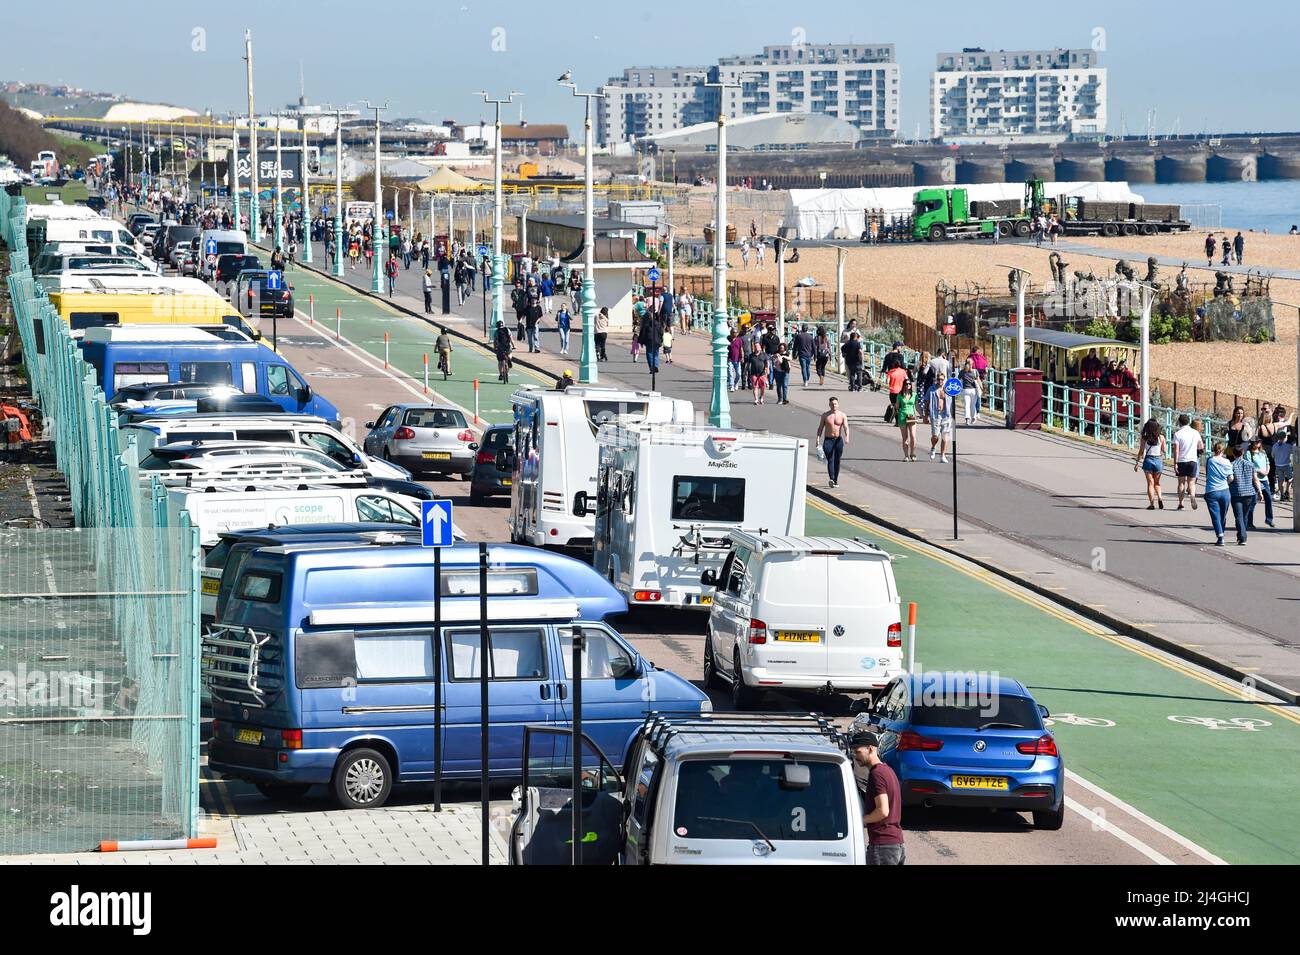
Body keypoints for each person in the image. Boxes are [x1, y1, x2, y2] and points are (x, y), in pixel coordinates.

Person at [848, 731, 904, 866]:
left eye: (858, 752)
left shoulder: (877, 774)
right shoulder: (887, 771)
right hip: (896, 843)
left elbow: (883, 811)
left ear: (870, 749)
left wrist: (858, 821)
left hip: (883, 846)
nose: (855, 756)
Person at [1227, 444, 1263, 545]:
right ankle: (1242, 535)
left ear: (1233, 454)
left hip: (1236, 493)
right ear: (1243, 453)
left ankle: (1242, 537)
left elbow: (1230, 479)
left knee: (1238, 516)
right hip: (1249, 493)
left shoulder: (1231, 465)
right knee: (1245, 515)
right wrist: (1260, 491)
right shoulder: (1250, 464)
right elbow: (1255, 479)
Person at [1203, 442, 1233, 546]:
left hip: (1212, 490)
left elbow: (1207, 475)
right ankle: (1221, 533)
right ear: (1223, 450)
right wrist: (1226, 484)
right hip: (1225, 490)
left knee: (1215, 515)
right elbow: (1231, 478)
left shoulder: (1210, 460)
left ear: (1214, 449)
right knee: (1222, 515)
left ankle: (1220, 536)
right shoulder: (1228, 462)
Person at [815, 397, 849, 487]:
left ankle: (835, 480)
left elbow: (846, 427)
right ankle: (831, 479)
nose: (834, 405)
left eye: (835, 404)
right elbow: (820, 428)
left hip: (838, 440)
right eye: (832, 404)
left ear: (838, 404)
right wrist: (817, 438)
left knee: (837, 461)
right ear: (829, 405)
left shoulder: (842, 415)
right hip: (828, 440)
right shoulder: (825, 415)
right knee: (830, 459)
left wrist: (847, 437)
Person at [1171, 414, 1203, 510]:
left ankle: (1181, 503)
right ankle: (1192, 496)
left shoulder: (1177, 434)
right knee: (1191, 483)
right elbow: (1201, 446)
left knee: (1181, 483)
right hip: (1193, 460)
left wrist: (1175, 463)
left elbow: (1176, 450)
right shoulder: (1195, 433)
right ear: (1188, 421)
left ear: (1179, 422)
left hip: (1182, 460)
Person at [1133, 419, 1166, 509]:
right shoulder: (1161, 437)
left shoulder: (1144, 438)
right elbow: (1164, 450)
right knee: (1157, 483)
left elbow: (1141, 451)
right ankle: (1159, 497)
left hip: (1148, 460)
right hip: (1158, 460)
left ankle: (1152, 504)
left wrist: (1137, 462)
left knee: (1150, 483)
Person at [1247, 437, 1274, 528]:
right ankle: (1249, 522)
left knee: (1269, 498)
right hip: (1255, 478)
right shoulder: (1249, 453)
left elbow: (1268, 463)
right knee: (1253, 500)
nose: (1258, 443)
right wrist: (1258, 471)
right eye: (1256, 442)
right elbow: (1249, 465)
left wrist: (1267, 471)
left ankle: (1269, 519)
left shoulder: (1263, 452)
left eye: (1259, 441)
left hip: (1264, 478)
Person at [928, 379, 954, 463]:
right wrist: (924, 415)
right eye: (939, 379)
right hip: (935, 415)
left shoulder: (948, 389)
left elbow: (953, 400)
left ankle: (942, 455)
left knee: (945, 436)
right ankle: (933, 447)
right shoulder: (932, 389)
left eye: (942, 379)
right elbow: (926, 401)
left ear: (944, 380)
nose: (940, 381)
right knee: (935, 436)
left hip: (946, 415)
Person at [896, 378, 918, 461]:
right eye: (906, 384)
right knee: (905, 437)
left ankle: (912, 453)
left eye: (909, 384)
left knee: (913, 436)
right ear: (904, 385)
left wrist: (923, 415)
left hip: (911, 416)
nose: (908, 385)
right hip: (902, 416)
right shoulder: (900, 395)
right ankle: (906, 455)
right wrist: (896, 408)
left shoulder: (914, 394)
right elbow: (897, 406)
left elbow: (917, 406)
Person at [1271, 426, 1294, 503]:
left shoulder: (1274, 446)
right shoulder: (1288, 446)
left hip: (1278, 465)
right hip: (1287, 465)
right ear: (1285, 438)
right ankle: (1287, 491)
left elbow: (1272, 455)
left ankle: (1282, 495)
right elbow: (1293, 452)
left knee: (1280, 480)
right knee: (1290, 478)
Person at [958, 358, 982, 424]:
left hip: (965, 390)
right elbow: (978, 380)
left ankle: (967, 419)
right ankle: (974, 417)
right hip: (973, 390)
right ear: (972, 364)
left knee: (967, 405)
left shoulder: (962, 371)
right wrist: (981, 387)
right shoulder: (975, 371)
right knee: (973, 405)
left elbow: (958, 379)